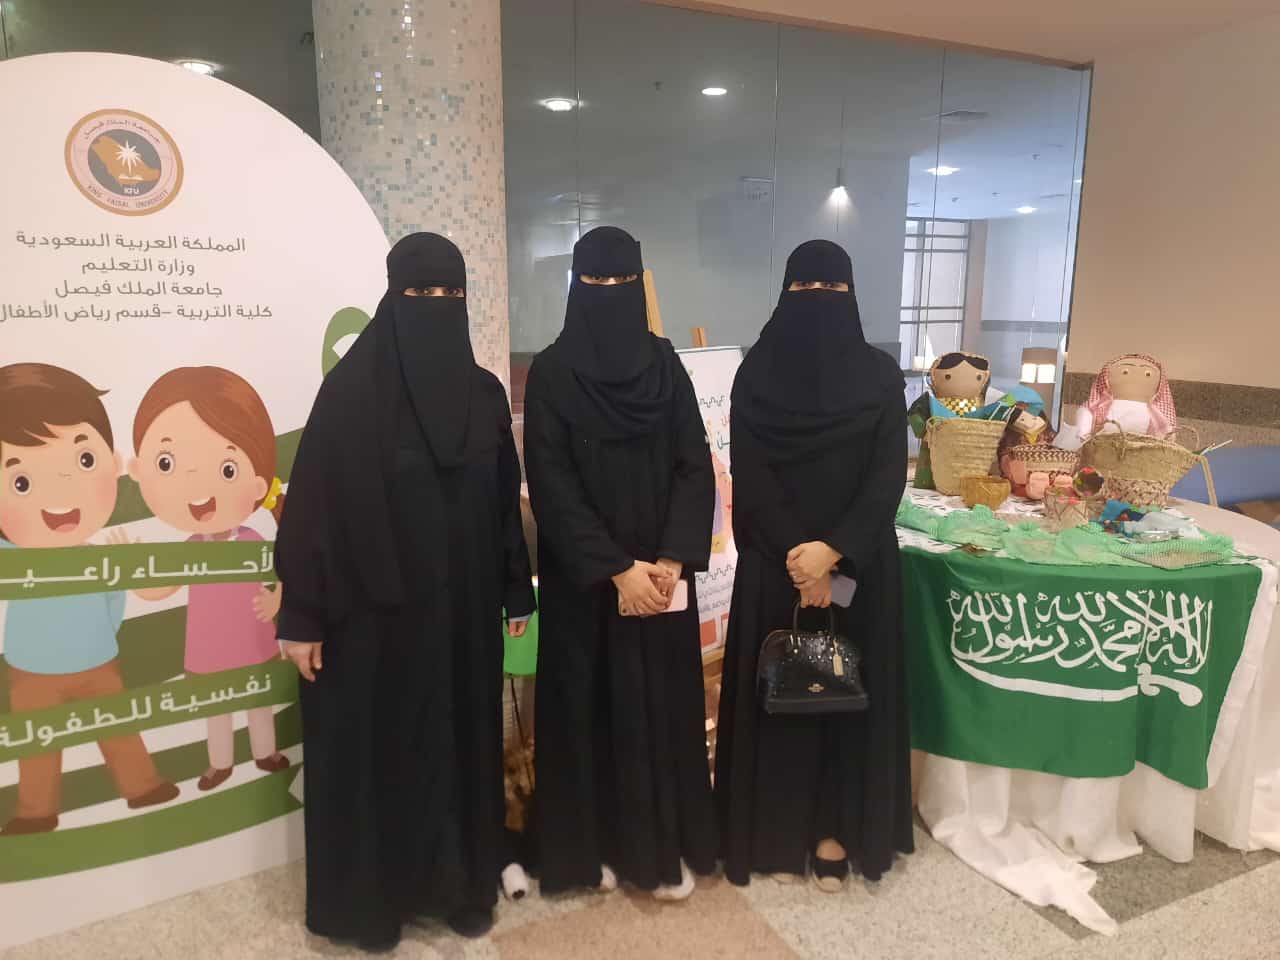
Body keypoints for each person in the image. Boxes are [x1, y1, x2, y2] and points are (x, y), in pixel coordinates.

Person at [274, 233, 535, 950]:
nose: (437, 307)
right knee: (380, 753)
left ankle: (461, 886)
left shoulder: (483, 395)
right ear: (392, 298)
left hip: (461, 615)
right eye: (422, 294)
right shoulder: (351, 396)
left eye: (452, 295)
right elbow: (314, 512)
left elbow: (502, 498)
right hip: (372, 621)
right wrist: (302, 616)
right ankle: (376, 904)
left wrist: (516, 592)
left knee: (459, 742)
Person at [524, 226, 717, 900]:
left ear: (639, 284)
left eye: (621, 281)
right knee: (587, 711)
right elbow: (550, 481)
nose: (608, 292)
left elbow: (694, 463)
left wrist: (669, 559)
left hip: (660, 581)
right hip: (588, 584)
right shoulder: (552, 372)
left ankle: (661, 848)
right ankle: (589, 852)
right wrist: (617, 569)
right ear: (575, 286)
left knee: (659, 710)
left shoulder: (665, 366)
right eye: (595, 281)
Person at [714, 239, 913, 892]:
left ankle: (837, 831)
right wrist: (803, 557)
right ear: (784, 294)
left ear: (851, 296)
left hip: (857, 564)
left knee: (846, 700)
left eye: (831, 290)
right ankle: (776, 832)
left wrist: (834, 550)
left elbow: (887, 475)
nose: (817, 302)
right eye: (804, 290)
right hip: (779, 565)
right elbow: (752, 472)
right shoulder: (756, 373)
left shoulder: (881, 376)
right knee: (783, 696)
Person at [0, 363, 180, 836]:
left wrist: (111, 621)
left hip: (98, 660)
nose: (61, 489)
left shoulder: (98, 556)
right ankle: (35, 811)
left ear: (113, 462)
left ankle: (142, 785)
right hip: (33, 668)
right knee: (39, 742)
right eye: (22, 482)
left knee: (118, 727)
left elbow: (115, 597)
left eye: (83, 461)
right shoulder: (12, 556)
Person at [129, 366, 289, 792]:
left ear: (258, 484)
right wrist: (132, 579)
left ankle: (266, 752)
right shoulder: (191, 547)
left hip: (252, 640)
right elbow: (163, 587)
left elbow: (284, 572)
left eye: (226, 468)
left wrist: (276, 600)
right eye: (168, 463)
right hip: (210, 646)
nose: (196, 482)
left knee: (258, 702)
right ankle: (220, 764)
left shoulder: (253, 539)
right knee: (217, 710)